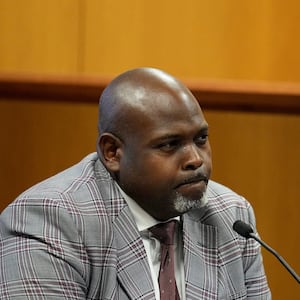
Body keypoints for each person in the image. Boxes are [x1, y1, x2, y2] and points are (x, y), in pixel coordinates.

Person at [0, 67, 271, 299]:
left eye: (200, 139)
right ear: (112, 152)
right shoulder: (49, 221)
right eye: (169, 144)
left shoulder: (232, 218)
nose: (195, 159)